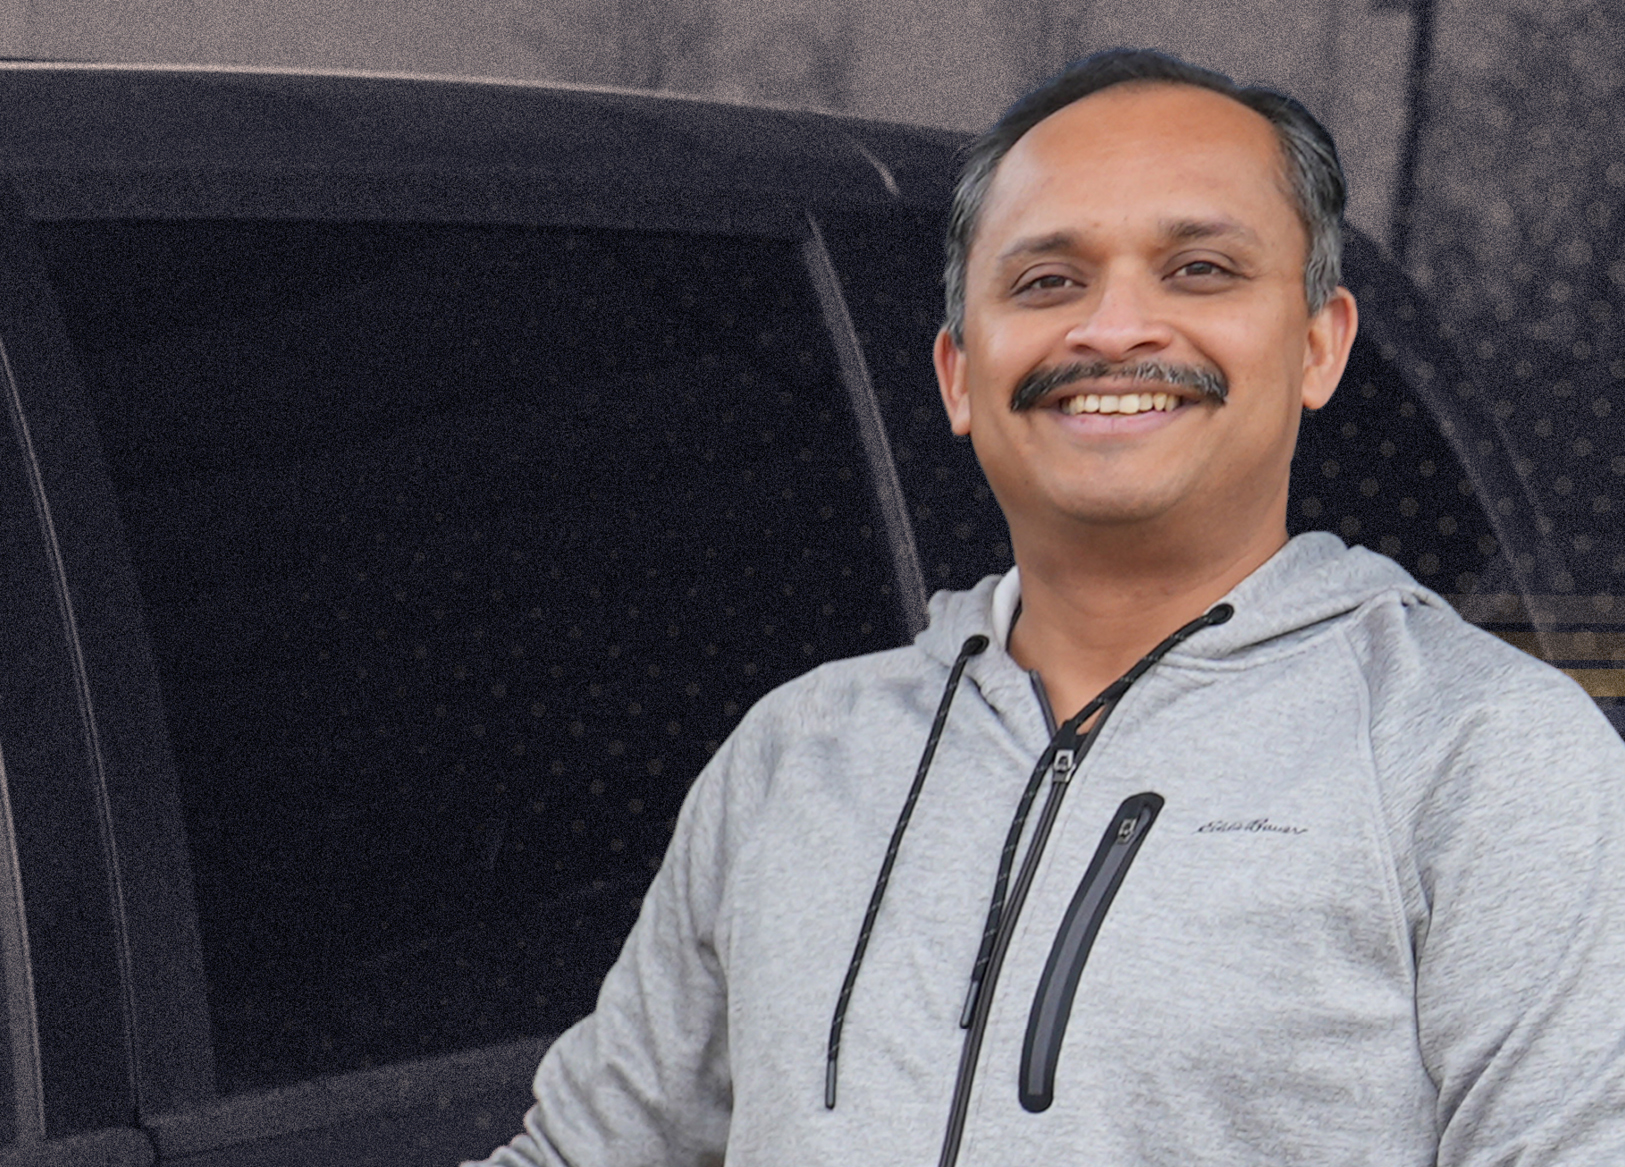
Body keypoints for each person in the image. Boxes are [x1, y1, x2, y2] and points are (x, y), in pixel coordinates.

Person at [467, 48, 1625, 1165]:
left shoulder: (1478, 760)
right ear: (959, 376)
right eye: (1044, 281)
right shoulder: (796, 754)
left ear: (1317, 346)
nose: (1112, 329)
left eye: (1199, 270)